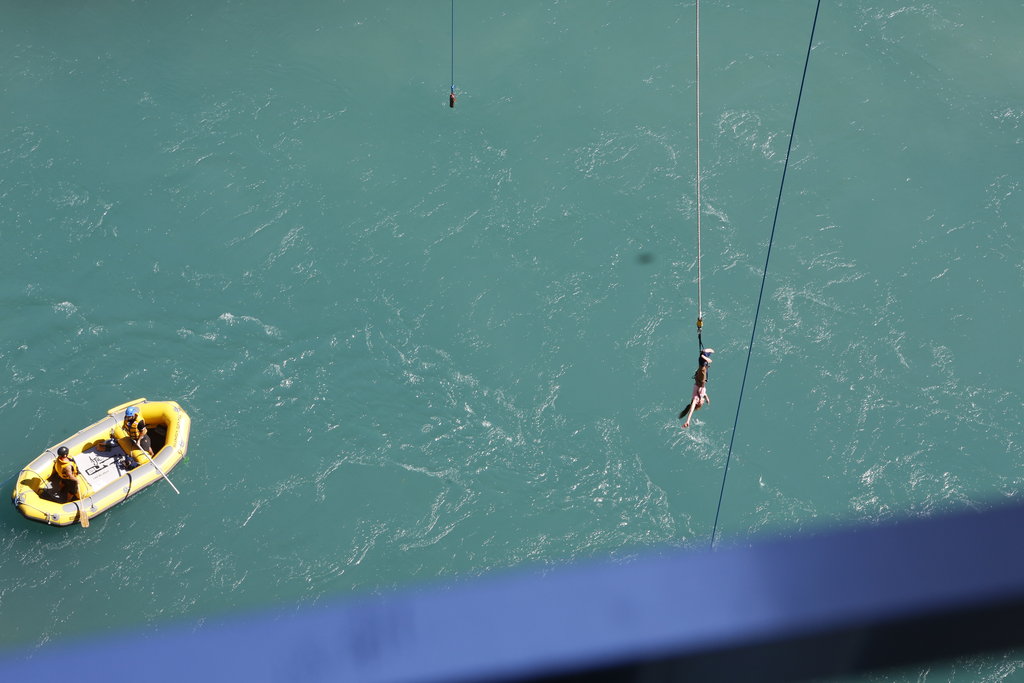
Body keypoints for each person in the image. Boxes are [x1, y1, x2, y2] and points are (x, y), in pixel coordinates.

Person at [680, 348, 714, 428]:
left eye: (702, 403)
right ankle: (703, 356)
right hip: (701, 379)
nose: (703, 402)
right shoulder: (701, 396)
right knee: (711, 353)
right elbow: (704, 394)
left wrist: (688, 421)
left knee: (704, 364)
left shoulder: (695, 399)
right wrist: (707, 398)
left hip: (701, 380)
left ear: (698, 403)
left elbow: (691, 410)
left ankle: (703, 355)